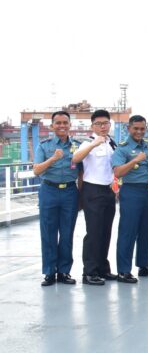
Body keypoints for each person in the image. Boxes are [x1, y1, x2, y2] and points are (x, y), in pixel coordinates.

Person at [33, 111, 81, 286]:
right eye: (58, 123)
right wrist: (53, 158)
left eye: (65, 122)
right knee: (48, 233)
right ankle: (49, 272)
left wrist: (82, 195)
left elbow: (83, 172)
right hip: (49, 190)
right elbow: (37, 170)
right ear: (52, 126)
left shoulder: (78, 146)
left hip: (70, 191)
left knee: (67, 233)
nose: (62, 126)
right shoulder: (44, 146)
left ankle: (64, 272)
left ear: (70, 125)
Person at [112, 115, 148, 283]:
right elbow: (118, 172)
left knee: (146, 230)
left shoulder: (146, 146)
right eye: (136, 128)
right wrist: (135, 160)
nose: (139, 131)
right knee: (128, 231)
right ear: (128, 128)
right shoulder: (122, 149)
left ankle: (144, 266)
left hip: (147, 192)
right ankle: (123, 270)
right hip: (131, 191)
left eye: (142, 128)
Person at [71, 109, 118, 286]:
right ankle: (89, 272)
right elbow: (76, 158)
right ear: (92, 126)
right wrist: (93, 144)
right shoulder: (87, 142)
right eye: (98, 124)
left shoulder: (112, 143)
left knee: (106, 231)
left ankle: (103, 268)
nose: (102, 127)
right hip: (92, 191)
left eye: (105, 123)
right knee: (94, 232)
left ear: (110, 125)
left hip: (108, 190)